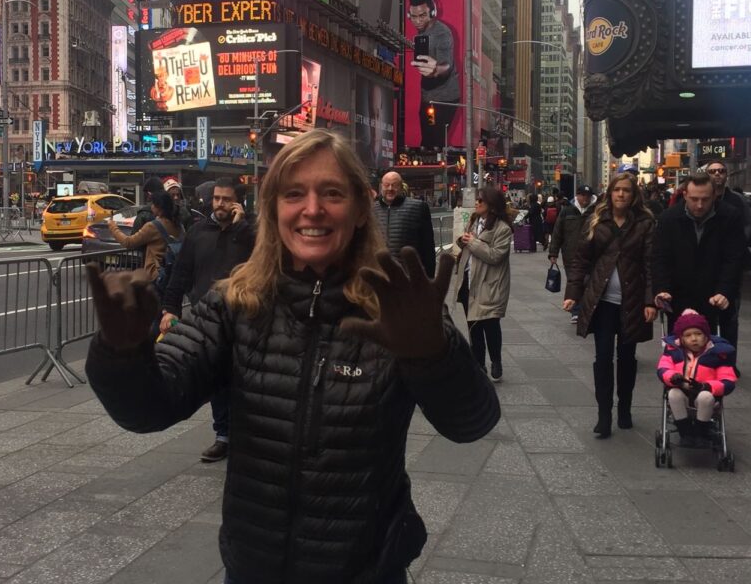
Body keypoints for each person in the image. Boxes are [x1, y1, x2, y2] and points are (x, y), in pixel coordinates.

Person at [84, 129, 500, 584]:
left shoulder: (397, 308)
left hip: (366, 570)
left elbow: (472, 423)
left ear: (361, 209)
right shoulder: (235, 303)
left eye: (332, 193)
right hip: (254, 567)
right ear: (274, 210)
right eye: (294, 194)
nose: (313, 209)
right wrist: (123, 353)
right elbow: (149, 408)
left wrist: (433, 354)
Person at [160, 177, 256, 463]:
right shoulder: (198, 232)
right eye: (216, 199)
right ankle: (223, 436)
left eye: (226, 199)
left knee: (244, 379)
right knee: (217, 380)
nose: (220, 204)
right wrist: (170, 308)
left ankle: (247, 435)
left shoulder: (252, 231)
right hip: (208, 319)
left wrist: (240, 228)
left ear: (238, 201)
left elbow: (262, 262)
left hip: (246, 317)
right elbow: (181, 273)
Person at [563, 173, 657, 438]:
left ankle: (624, 408)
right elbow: (580, 260)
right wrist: (573, 293)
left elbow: (651, 264)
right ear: (610, 193)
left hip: (632, 301)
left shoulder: (645, 223)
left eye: (626, 191)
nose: (621, 195)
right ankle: (604, 414)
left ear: (633, 195)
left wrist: (651, 300)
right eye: (617, 190)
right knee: (602, 358)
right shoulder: (596, 221)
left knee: (627, 358)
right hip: (602, 303)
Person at [652, 172, 745, 347]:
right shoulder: (668, 219)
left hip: (715, 297)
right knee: (679, 353)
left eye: (705, 199)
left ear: (714, 195)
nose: (700, 205)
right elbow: (660, 258)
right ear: (685, 195)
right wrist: (662, 288)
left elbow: (733, 259)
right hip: (679, 297)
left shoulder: (730, 216)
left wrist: (724, 291)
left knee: (717, 353)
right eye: (694, 199)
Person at [453, 186, 512, 382]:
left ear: (492, 206)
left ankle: (496, 360)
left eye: (481, 201)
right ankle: (479, 366)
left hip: (490, 283)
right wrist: (463, 242)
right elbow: (469, 248)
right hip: (469, 282)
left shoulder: (502, 229)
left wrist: (473, 243)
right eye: (477, 200)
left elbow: (495, 256)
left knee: (490, 325)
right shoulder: (473, 222)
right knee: (474, 328)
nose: (476, 203)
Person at [657, 308, 737, 447]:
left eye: (698, 334)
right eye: (688, 335)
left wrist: (707, 386)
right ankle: (685, 433)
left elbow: (728, 381)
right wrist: (673, 377)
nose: (694, 339)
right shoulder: (673, 352)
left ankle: (701, 433)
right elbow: (663, 368)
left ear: (706, 336)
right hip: (682, 392)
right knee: (673, 393)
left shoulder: (718, 355)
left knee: (705, 396)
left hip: (707, 396)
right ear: (680, 339)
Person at [704, 161, 751, 362]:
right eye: (713, 171)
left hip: (732, 265)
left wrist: (737, 243)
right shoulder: (702, 198)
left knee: (730, 316)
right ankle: (707, 359)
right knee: (705, 314)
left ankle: (728, 362)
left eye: (721, 171)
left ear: (726, 175)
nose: (717, 175)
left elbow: (749, 225)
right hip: (706, 265)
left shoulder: (737, 201)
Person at [408, 0, 460, 149]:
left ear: (433, 13)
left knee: (434, 144)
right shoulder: (422, 33)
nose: (417, 21)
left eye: (422, 16)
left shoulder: (442, 33)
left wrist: (436, 70)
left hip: (445, 99)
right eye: (414, 16)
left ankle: (438, 173)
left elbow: (447, 65)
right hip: (428, 97)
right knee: (427, 143)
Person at [108, 190, 183, 283]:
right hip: (174, 274)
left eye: (153, 204)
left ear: (158, 207)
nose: (151, 207)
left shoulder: (153, 226)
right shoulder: (178, 224)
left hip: (157, 276)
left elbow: (128, 242)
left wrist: (113, 227)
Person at [549, 185, 598, 323]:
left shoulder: (596, 211)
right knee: (574, 281)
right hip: (571, 254)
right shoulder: (567, 211)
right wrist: (553, 253)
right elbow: (558, 232)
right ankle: (576, 311)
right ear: (577, 196)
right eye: (582, 195)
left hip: (591, 254)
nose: (585, 198)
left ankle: (587, 310)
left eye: (587, 196)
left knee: (589, 282)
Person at [374, 171, 436, 277]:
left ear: (401, 187)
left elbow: (428, 247)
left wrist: (429, 280)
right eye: (386, 185)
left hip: (408, 278)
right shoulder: (370, 209)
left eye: (394, 185)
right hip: (378, 276)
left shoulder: (418, 208)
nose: (390, 188)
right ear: (381, 187)